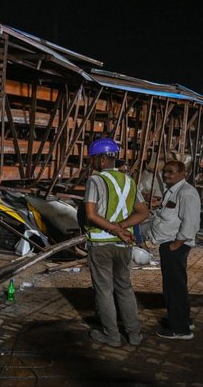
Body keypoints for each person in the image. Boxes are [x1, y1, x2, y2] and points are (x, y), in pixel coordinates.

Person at [84, 138, 149, 347]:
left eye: (93, 159)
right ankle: (135, 334)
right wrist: (121, 228)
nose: (92, 163)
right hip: (123, 245)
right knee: (125, 289)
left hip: (101, 245)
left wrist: (114, 229)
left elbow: (91, 215)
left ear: (102, 159)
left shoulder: (95, 180)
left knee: (104, 290)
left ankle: (111, 336)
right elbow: (143, 213)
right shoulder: (129, 181)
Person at [149, 160, 201, 340]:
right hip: (171, 245)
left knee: (174, 288)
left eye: (171, 172)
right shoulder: (173, 191)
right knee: (177, 286)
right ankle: (183, 320)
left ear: (183, 173)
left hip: (175, 246)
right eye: (165, 172)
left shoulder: (187, 193)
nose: (166, 175)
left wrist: (175, 245)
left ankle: (180, 329)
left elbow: (191, 223)